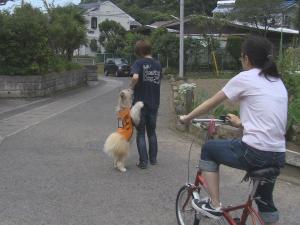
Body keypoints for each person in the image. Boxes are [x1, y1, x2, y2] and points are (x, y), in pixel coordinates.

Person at [180, 35, 287, 225]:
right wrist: (242, 124)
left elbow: (210, 103)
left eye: (241, 57)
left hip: (255, 153)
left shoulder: (246, 77)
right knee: (265, 203)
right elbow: (269, 121)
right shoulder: (277, 82)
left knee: (209, 149)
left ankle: (214, 204)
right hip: (277, 155)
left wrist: (187, 118)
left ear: (247, 58)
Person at [130, 40, 162, 169]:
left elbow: (135, 77)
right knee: (152, 132)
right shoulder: (158, 64)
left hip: (140, 104)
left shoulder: (138, 63)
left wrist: (131, 88)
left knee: (141, 133)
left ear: (140, 52)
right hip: (154, 103)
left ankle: (143, 162)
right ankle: (153, 159)